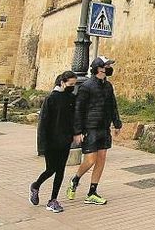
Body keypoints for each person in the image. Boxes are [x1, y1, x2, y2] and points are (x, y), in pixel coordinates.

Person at [66, 56, 121, 205]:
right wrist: (77, 132)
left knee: (101, 159)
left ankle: (92, 192)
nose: (109, 68)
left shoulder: (108, 86)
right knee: (90, 160)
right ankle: (75, 179)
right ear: (99, 68)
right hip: (91, 128)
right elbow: (79, 110)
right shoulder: (87, 86)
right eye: (107, 65)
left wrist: (117, 124)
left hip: (104, 127)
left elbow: (112, 106)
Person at [30, 71, 77, 213]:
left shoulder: (71, 98)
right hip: (51, 141)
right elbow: (43, 123)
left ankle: (53, 200)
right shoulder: (51, 99)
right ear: (62, 82)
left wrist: (75, 133)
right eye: (71, 84)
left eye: (74, 84)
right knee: (51, 169)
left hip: (65, 140)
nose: (73, 87)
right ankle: (35, 186)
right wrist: (42, 147)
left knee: (61, 170)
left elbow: (73, 118)